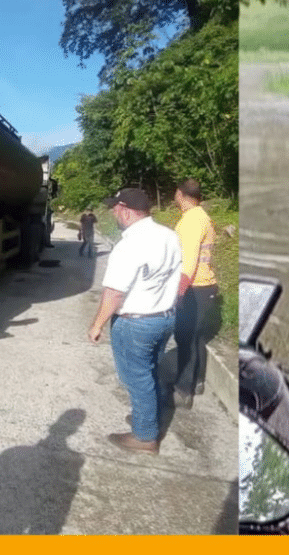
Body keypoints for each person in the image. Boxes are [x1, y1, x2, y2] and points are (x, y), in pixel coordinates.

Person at [87, 188, 182, 454]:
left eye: (115, 209)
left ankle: (145, 437)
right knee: (150, 371)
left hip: (135, 323)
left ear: (126, 211)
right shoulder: (169, 236)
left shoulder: (129, 245)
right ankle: (147, 418)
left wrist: (97, 325)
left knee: (136, 379)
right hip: (164, 319)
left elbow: (115, 292)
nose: (112, 213)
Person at [172, 178, 220, 409]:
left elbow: (189, 260)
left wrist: (179, 292)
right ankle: (198, 380)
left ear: (179, 194)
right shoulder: (202, 217)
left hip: (194, 287)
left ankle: (183, 390)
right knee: (197, 337)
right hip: (205, 287)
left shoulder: (191, 221)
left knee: (185, 338)